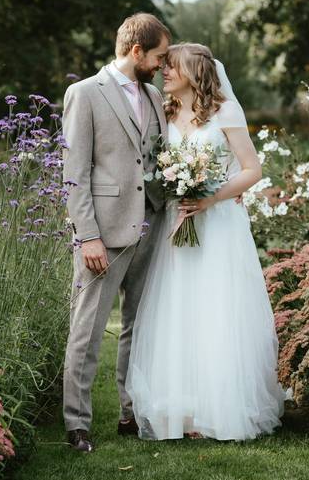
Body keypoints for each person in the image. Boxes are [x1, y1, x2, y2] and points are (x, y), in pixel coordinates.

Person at [124, 42, 289, 441]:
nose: (164, 72)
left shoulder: (226, 112)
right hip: (176, 222)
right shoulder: (164, 112)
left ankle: (220, 406)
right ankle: (183, 406)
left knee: (216, 307)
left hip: (218, 225)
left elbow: (252, 169)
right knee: (179, 308)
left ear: (195, 71)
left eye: (172, 66)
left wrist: (211, 197)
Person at [60, 13, 170, 453]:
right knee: (87, 331)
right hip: (103, 233)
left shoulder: (155, 96)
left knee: (139, 327)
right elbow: (74, 173)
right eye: (159, 56)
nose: (162, 64)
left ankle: (130, 413)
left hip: (152, 224)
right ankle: (77, 425)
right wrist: (87, 235)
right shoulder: (85, 93)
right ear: (137, 50)